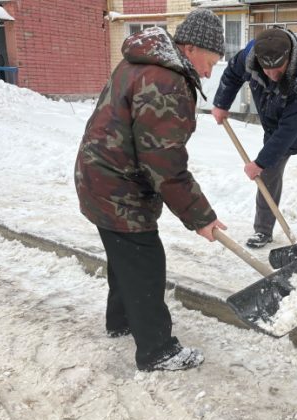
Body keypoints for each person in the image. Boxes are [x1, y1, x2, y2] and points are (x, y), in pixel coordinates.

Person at [74, 9, 227, 372]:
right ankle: (158, 350)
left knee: (125, 256)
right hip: (118, 186)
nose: (209, 73)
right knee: (145, 263)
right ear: (190, 48)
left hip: (100, 176)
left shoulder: (142, 62)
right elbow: (164, 164)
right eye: (209, 63)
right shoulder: (166, 80)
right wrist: (201, 217)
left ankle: (121, 321)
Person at [212, 27, 297, 249]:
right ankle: (263, 230)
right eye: (266, 69)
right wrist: (221, 103)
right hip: (275, 126)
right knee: (268, 177)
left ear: (289, 58)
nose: (272, 75)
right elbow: (232, 74)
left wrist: (259, 162)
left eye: (278, 69)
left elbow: (289, 129)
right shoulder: (251, 56)